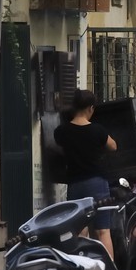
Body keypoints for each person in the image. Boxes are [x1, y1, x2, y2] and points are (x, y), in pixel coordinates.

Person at [53, 89, 117, 258]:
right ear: (90, 108)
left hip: (75, 185)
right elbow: (113, 146)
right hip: (97, 183)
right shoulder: (98, 130)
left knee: (80, 231)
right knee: (103, 231)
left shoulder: (62, 131)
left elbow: (58, 147)